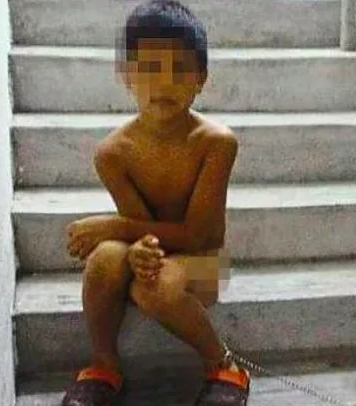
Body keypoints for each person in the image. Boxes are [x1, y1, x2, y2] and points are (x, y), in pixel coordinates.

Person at [61, 1, 250, 405]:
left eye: (180, 69)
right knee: (103, 259)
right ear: (126, 75)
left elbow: (199, 236)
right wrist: (135, 248)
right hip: (151, 249)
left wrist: (115, 228)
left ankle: (223, 364)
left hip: (206, 263)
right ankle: (104, 365)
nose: (164, 82)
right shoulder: (112, 153)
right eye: (148, 68)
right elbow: (140, 226)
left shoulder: (216, 144)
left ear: (201, 79)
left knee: (154, 289)